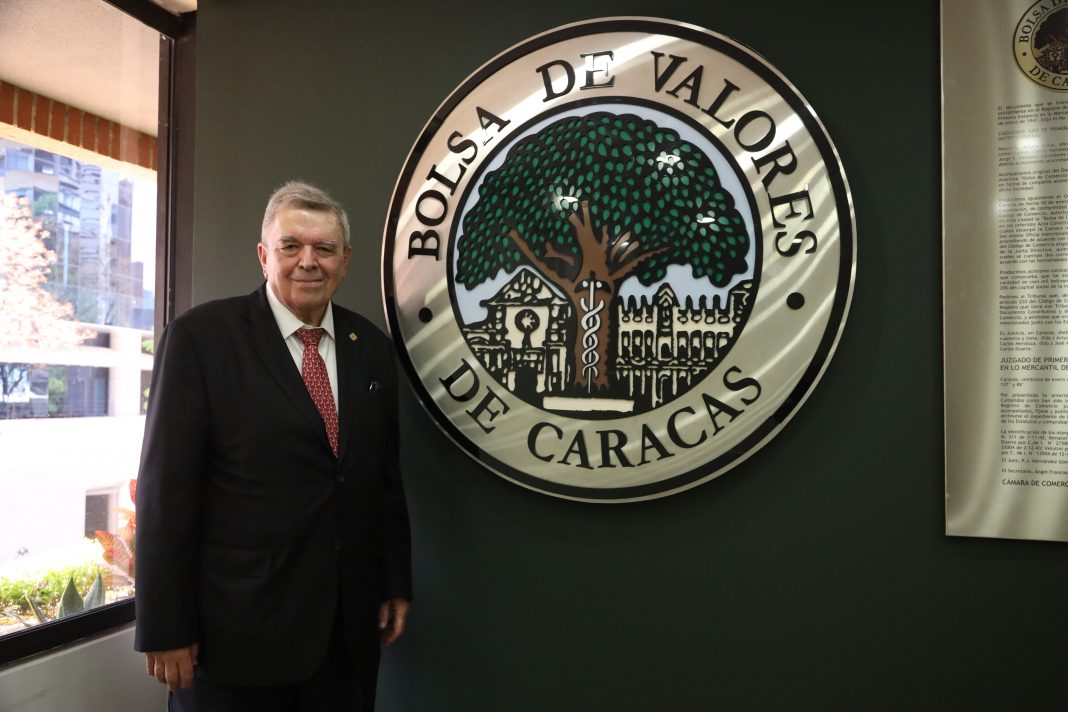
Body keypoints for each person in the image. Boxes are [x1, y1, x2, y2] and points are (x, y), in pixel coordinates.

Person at [134, 181, 411, 711]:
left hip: (347, 634)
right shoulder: (201, 339)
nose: (308, 261)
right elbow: (165, 492)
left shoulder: (372, 348)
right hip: (236, 636)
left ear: (345, 261)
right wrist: (164, 625)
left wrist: (393, 579)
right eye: (291, 246)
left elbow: (382, 478)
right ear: (264, 256)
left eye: (324, 248)